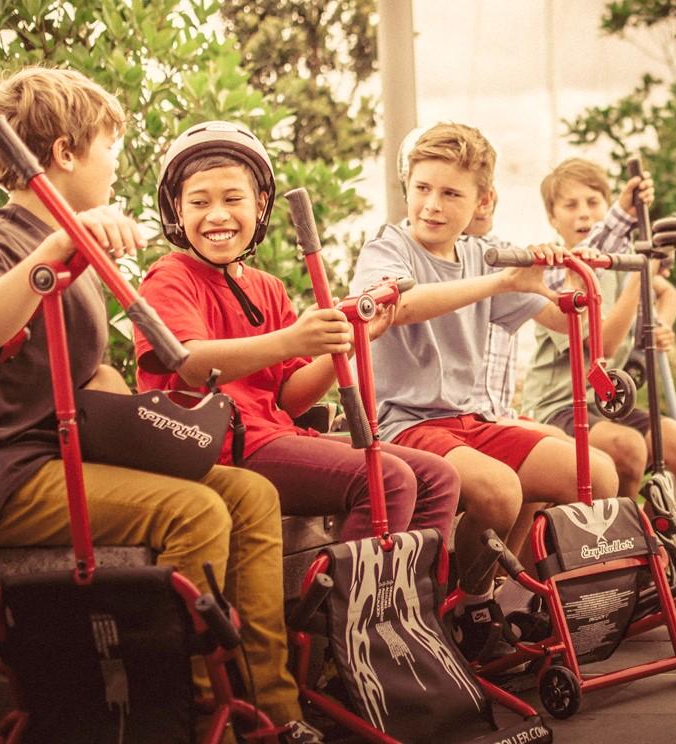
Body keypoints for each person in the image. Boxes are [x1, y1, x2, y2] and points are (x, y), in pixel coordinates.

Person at [0, 67, 317, 741]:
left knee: (249, 494)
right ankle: (201, 715)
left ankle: (274, 711)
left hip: (63, 455)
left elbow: (89, 375)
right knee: (195, 509)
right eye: (109, 146)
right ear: (64, 153)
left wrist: (150, 426)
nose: (115, 163)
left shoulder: (76, 253)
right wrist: (56, 248)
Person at [351, 122, 620, 661]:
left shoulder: (483, 253)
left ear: (481, 201)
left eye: (451, 193)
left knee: (596, 473)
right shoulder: (388, 247)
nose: (432, 205)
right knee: (499, 491)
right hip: (403, 422)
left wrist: (560, 276)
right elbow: (396, 306)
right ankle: (472, 606)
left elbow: (563, 322)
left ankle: (513, 599)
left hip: (469, 420)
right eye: (422, 188)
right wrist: (502, 281)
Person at [135, 121, 459, 549]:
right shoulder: (168, 277)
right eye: (199, 202)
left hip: (270, 437)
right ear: (177, 209)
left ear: (260, 204)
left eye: (233, 199)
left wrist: (348, 341)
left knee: (437, 477)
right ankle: (348, 593)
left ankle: (412, 586)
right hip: (213, 445)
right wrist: (293, 340)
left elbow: (290, 399)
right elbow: (190, 364)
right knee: (389, 479)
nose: (217, 215)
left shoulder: (267, 288)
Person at [520, 157, 676, 502]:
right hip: (559, 406)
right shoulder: (558, 272)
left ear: (607, 209)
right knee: (628, 449)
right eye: (570, 205)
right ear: (552, 218)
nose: (584, 214)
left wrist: (662, 325)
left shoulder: (617, 262)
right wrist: (641, 279)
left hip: (607, 405)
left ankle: (656, 531)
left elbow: (668, 293)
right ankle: (619, 532)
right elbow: (603, 346)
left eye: (593, 202)